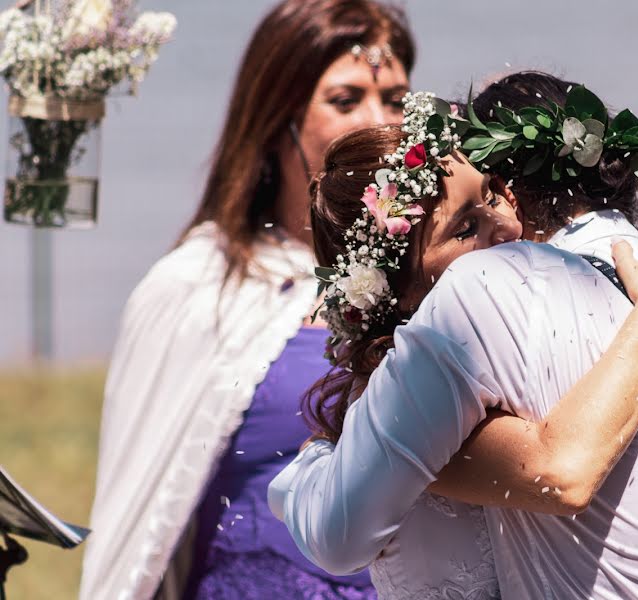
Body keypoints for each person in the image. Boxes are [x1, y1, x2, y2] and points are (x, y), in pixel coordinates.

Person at [270, 78, 638, 598]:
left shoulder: (503, 312)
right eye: (465, 228)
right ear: (397, 291)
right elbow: (560, 469)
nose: (505, 226)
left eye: (494, 195)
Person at [79, 1, 414, 599]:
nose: (378, 123)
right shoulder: (199, 285)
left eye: (394, 99)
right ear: (277, 117)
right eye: (345, 100)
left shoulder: (435, 278)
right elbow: (138, 511)